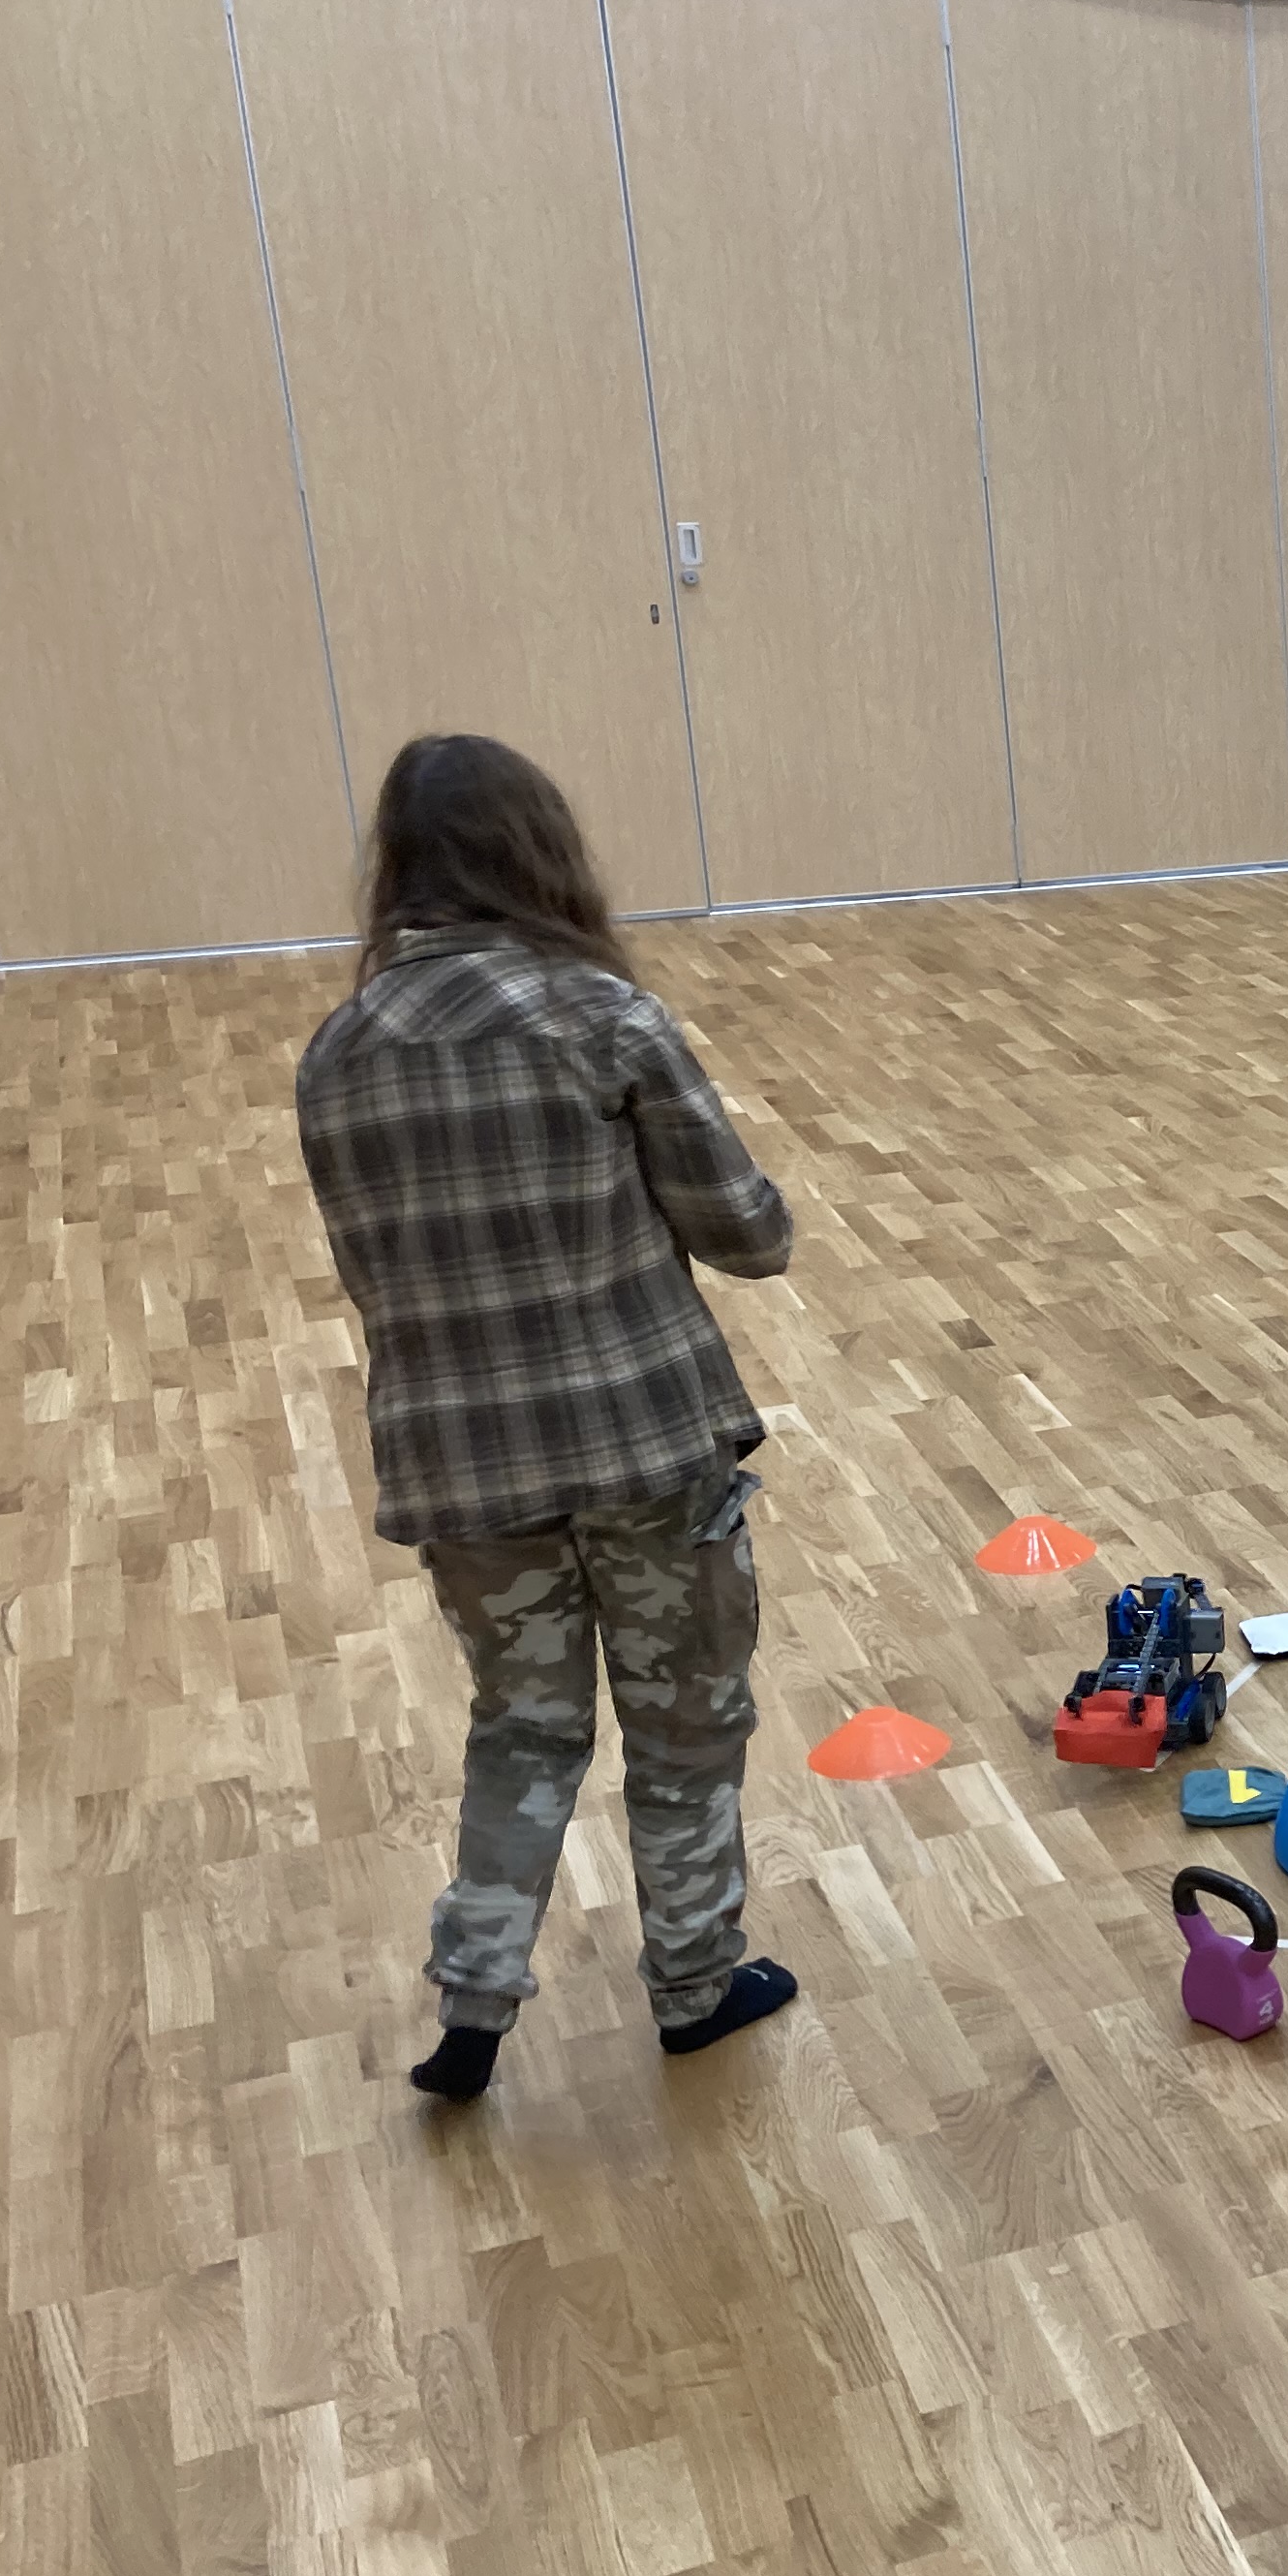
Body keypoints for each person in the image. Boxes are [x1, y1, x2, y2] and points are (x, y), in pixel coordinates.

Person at [295, 735, 800, 2098]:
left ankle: (474, 2002)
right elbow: (748, 1235)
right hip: (646, 1448)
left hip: (460, 1470)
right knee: (685, 1726)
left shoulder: (337, 1053)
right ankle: (696, 1983)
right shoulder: (600, 1019)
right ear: (539, 853)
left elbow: (370, 1272)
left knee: (521, 1727)